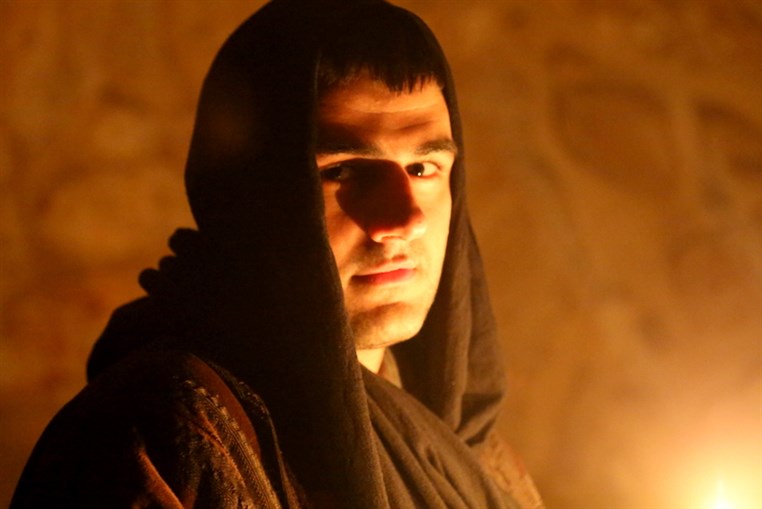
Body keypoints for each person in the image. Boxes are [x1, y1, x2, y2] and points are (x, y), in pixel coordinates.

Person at [11, 1, 544, 507]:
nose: (403, 221)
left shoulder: (471, 450)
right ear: (253, 197)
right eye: (342, 171)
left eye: (423, 168)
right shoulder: (166, 439)